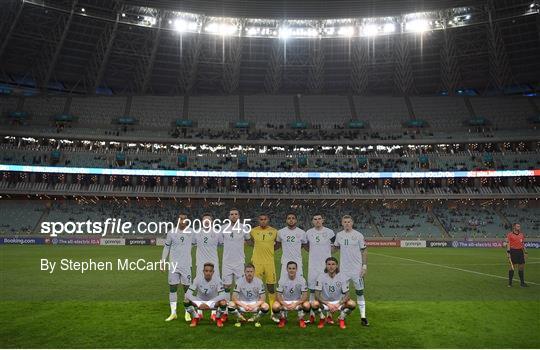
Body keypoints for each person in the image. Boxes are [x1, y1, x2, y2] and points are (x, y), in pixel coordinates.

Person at [334, 215, 369, 326]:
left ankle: (363, 317)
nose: (347, 223)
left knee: (360, 293)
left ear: (352, 223)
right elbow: (334, 248)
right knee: (343, 294)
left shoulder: (358, 235)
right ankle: (342, 316)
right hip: (343, 271)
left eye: (349, 221)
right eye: (345, 222)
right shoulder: (339, 235)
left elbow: (364, 251)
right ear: (342, 223)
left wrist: (364, 267)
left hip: (356, 270)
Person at [161, 211, 195, 322]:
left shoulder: (191, 232)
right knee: (172, 288)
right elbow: (166, 247)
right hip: (173, 265)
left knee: (187, 290)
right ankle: (173, 313)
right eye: (180, 218)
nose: (182, 221)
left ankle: (187, 313)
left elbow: (199, 243)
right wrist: (163, 261)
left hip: (186, 265)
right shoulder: (171, 232)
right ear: (178, 220)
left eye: (184, 219)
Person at [304, 213, 335, 323]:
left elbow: (336, 245)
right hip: (313, 267)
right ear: (312, 221)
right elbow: (305, 245)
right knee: (312, 291)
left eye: (319, 219)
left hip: (326, 267)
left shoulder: (329, 232)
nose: (317, 221)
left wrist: (329, 254)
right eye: (315, 219)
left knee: (327, 292)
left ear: (323, 220)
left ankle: (329, 315)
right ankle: (312, 315)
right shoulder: (308, 233)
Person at [311, 257, 356, 329]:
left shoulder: (342, 277)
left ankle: (341, 318)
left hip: (338, 302)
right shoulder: (321, 277)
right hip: (325, 303)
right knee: (313, 304)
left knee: (352, 304)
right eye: (328, 264)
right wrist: (327, 304)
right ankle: (322, 318)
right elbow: (317, 295)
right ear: (326, 265)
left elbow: (347, 295)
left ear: (337, 266)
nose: (331, 266)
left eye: (333, 264)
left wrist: (338, 304)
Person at [249, 214, 278, 318]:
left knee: (271, 287)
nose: (263, 221)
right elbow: (252, 242)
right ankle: (256, 312)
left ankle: (273, 312)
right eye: (261, 219)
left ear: (268, 220)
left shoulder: (274, 232)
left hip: (269, 263)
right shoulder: (253, 231)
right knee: (256, 288)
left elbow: (277, 244)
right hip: (256, 262)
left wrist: (269, 251)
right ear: (258, 221)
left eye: (265, 219)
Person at [184, 263, 228, 328]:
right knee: (186, 300)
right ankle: (195, 318)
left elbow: (223, 295)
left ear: (213, 272)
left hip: (212, 303)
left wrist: (209, 303)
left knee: (223, 302)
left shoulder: (217, 280)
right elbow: (188, 293)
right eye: (206, 271)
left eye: (210, 271)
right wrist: (199, 303)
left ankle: (218, 318)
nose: (208, 273)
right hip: (199, 302)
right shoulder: (197, 279)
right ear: (203, 271)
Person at [228, 263, 270, 328]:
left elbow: (263, 297)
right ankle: (240, 317)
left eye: (251, 271)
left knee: (266, 306)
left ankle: (255, 318)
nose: (249, 273)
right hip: (242, 303)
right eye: (247, 271)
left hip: (255, 303)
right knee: (230, 305)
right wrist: (244, 305)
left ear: (254, 272)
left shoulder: (259, 281)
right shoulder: (239, 281)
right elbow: (234, 297)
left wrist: (254, 306)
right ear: (244, 272)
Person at [273, 261, 310, 328]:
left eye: (293, 268)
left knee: (307, 305)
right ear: (287, 269)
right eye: (289, 268)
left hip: (297, 301)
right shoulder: (282, 279)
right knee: (275, 307)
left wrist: (295, 304)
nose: (291, 270)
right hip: (285, 301)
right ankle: (282, 318)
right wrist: (285, 304)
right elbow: (278, 295)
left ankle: (301, 318)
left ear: (296, 269)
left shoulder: (302, 279)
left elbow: (304, 296)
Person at [277, 212, 307, 280]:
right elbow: (278, 244)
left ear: (296, 220)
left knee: (299, 283)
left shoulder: (302, 232)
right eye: (289, 218)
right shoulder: (280, 232)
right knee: (284, 283)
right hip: (285, 261)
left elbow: (304, 245)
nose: (291, 220)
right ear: (286, 220)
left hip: (298, 261)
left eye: (293, 218)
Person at [506, 223, 528, 287]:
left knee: (521, 267)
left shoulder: (521, 234)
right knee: (512, 267)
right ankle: (510, 283)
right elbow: (508, 244)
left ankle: (522, 283)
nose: (519, 227)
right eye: (517, 226)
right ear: (514, 227)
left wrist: (526, 252)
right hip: (513, 251)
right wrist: (508, 253)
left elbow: (523, 244)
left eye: (519, 226)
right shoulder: (510, 234)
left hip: (520, 251)